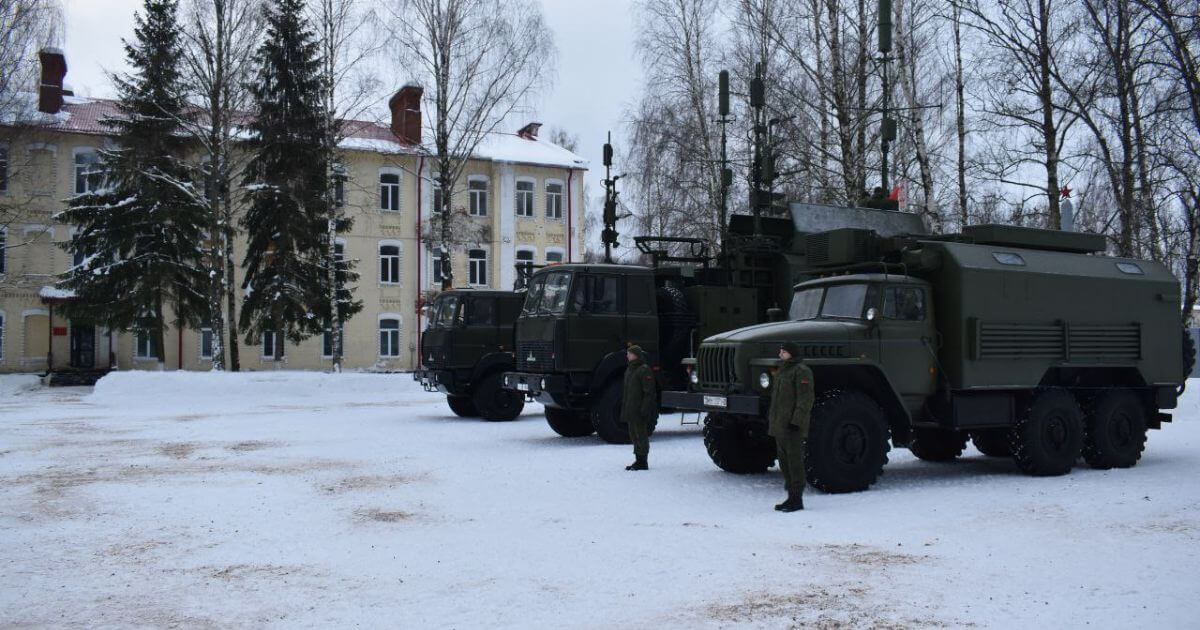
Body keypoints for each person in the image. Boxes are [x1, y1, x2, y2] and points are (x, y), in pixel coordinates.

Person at [768, 341, 814, 512]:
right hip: (780, 425)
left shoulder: (801, 371)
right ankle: (790, 497)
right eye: (780, 351)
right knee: (784, 462)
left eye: (783, 351)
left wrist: (797, 421)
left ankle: (797, 498)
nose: (780, 354)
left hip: (792, 426)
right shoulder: (782, 370)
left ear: (791, 353)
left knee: (794, 462)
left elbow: (805, 399)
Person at [622, 344, 657, 471]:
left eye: (629, 353)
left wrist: (645, 408)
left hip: (639, 409)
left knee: (640, 434)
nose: (627, 355)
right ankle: (638, 459)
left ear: (635, 355)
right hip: (631, 409)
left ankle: (643, 461)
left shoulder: (644, 369)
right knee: (633, 434)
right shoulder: (630, 369)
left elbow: (649, 392)